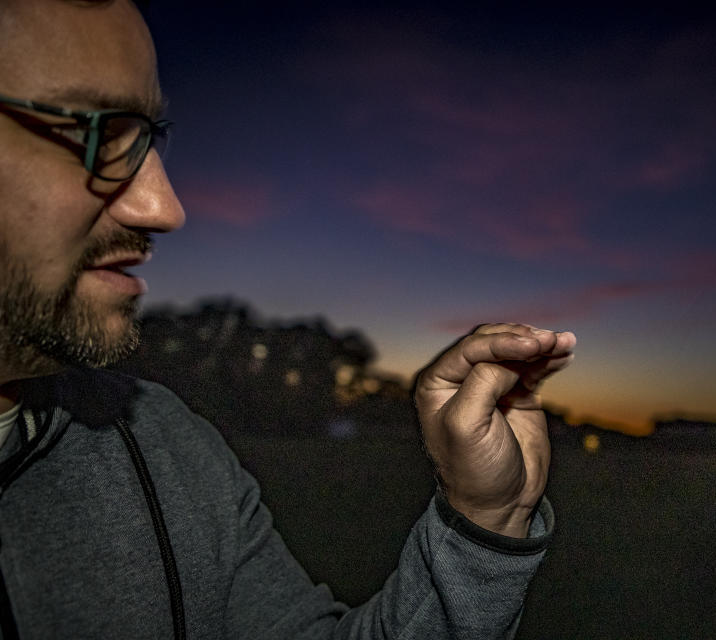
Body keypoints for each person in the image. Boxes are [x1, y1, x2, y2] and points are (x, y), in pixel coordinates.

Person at [0, 0, 576, 638]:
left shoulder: (166, 447)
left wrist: (484, 521)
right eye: (99, 132)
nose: (163, 207)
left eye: (146, 139)